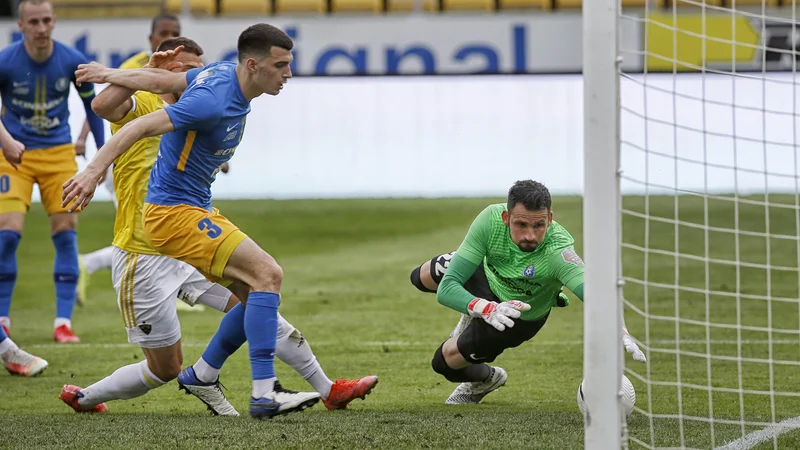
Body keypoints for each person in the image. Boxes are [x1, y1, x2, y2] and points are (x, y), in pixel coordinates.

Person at [59, 37, 377, 416]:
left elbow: (182, 95)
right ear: (159, 71)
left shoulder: (212, 87)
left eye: (197, 67)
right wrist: (95, 168)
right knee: (165, 367)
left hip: (189, 228)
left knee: (259, 295)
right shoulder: (169, 101)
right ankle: (88, 398)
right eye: (181, 68)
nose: (194, 74)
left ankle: (321, 388)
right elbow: (106, 107)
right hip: (145, 249)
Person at [408, 180, 646, 404]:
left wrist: (620, 328)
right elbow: (447, 288)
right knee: (421, 276)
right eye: (520, 224)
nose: (530, 235)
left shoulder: (558, 252)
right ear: (505, 217)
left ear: (550, 219)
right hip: (489, 277)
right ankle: (474, 307)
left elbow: (596, 294)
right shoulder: (489, 220)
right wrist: (486, 308)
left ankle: (487, 379)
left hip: (519, 315)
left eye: (539, 225)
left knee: (444, 362)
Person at [0, 0, 105, 342]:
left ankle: (63, 323)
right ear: (21, 25)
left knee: (65, 233)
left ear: (55, 22)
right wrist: (6, 141)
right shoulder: (5, 61)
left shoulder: (71, 60)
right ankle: (3, 320)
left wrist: (100, 156)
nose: (42, 28)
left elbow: (94, 106)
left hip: (59, 155)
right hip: (14, 155)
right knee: (7, 235)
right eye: (34, 22)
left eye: (47, 20)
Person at [76, 13, 181, 306]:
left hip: (161, 164)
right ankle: (89, 265)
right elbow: (109, 104)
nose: (167, 36)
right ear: (151, 38)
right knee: (140, 231)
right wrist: (85, 137)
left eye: (174, 31)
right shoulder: (133, 68)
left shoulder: (180, 71)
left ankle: (175, 286)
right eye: (163, 32)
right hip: (128, 160)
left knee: (156, 226)